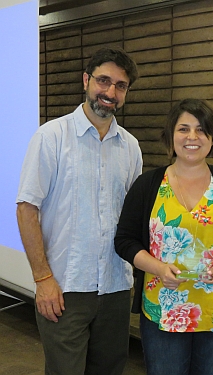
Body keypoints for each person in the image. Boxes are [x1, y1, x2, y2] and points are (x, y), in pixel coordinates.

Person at [16, 47, 142, 375]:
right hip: (64, 288)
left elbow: (132, 218)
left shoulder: (130, 147)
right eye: (103, 81)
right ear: (86, 80)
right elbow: (27, 209)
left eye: (120, 85)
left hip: (115, 288)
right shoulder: (51, 137)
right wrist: (42, 279)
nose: (110, 92)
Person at [114, 98, 213, 375]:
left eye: (201, 129)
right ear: (171, 136)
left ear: (212, 138)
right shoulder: (148, 184)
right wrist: (158, 267)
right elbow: (124, 240)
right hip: (162, 307)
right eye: (183, 129)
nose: (192, 137)